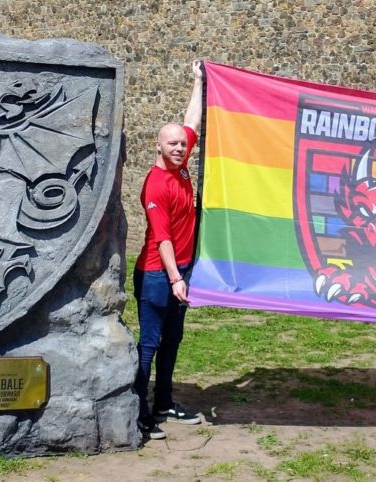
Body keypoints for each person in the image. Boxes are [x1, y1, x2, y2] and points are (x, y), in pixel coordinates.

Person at [133, 61, 203, 440]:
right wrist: (176, 278)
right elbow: (162, 240)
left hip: (181, 271)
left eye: (182, 144)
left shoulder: (181, 164)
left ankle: (163, 402)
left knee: (173, 341)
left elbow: (192, 119)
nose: (179, 148)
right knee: (149, 343)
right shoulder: (156, 185)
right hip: (157, 275)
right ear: (158, 146)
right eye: (172, 144)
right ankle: (139, 414)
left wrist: (199, 81)